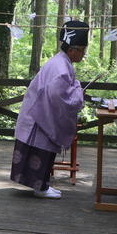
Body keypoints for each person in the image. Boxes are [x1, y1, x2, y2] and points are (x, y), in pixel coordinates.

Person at [11, 20, 89, 199]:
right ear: (73, 50)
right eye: (82, 51)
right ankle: (40, 188)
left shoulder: (60, 62)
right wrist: (78, 94)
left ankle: (43, 185)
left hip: (39, 111)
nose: (83, 54)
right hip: (40, 115)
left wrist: (75, 88)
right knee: (40, 153)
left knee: (43, 153)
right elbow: (59, 97)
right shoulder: (60, 68)